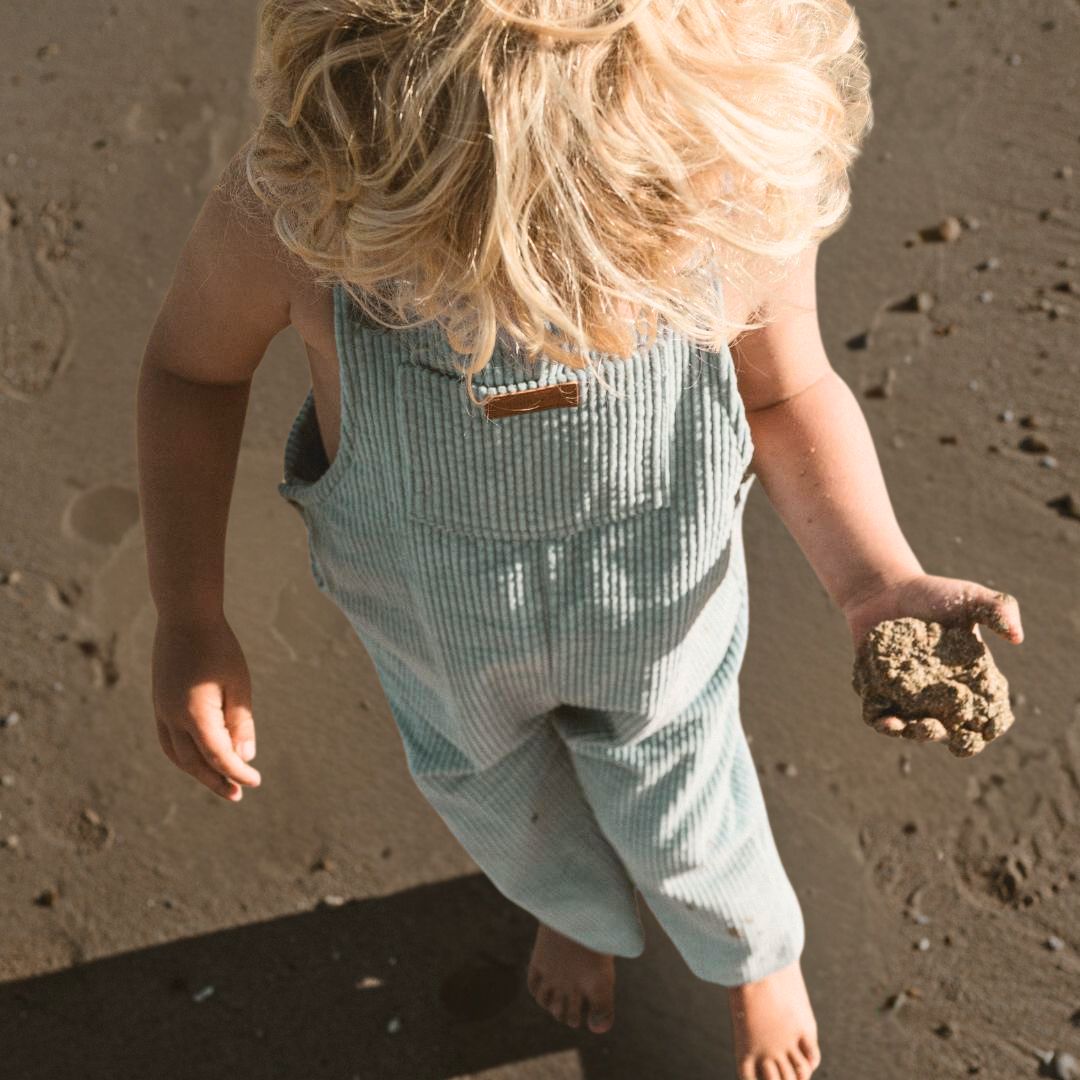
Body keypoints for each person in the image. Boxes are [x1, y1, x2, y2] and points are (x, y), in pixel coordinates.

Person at [136, 2, 1024, 1077]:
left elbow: (786, 392)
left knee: (691, 803)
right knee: (500, 802)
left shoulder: (726, 182)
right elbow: (192, 372)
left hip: (658, 618)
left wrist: (875, 580)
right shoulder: (305, 215)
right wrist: (189, 612)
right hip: (436, 635)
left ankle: (752, 952)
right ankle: (578, 912)